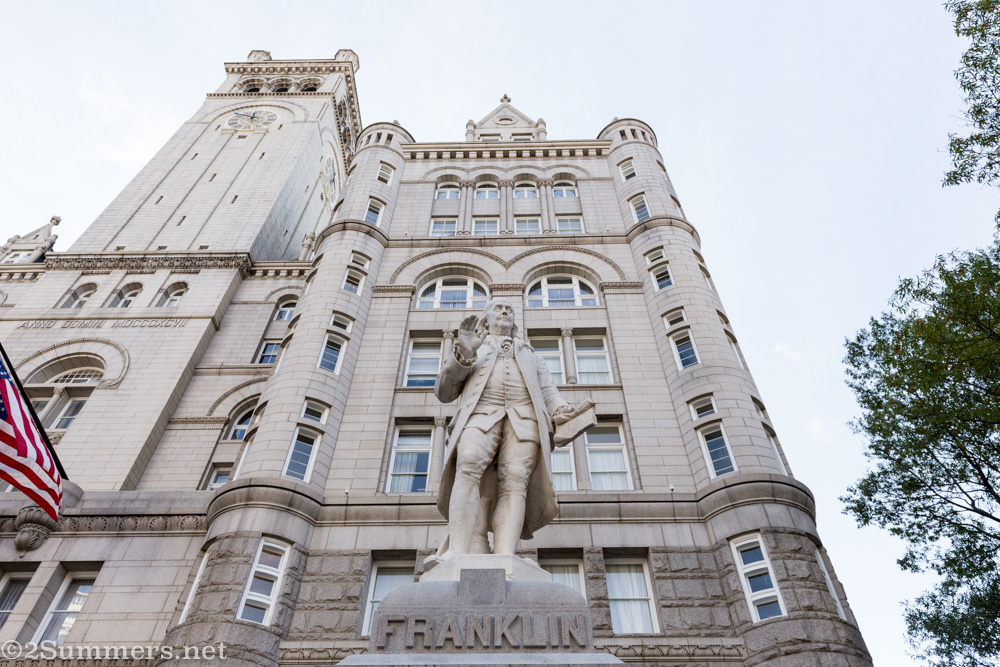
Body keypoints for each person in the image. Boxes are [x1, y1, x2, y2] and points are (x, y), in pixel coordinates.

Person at [432, 298, 577, 559]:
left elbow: (548, 390)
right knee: (468, 464)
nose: (504, 311)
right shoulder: (474, 348)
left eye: (509, 309)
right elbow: (443, 393)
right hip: (480, 415)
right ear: (485, 321)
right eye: (498, 308)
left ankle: (505, 556)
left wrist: (560, 410)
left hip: (523, 419)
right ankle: (457, 550)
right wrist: (463, 354)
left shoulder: (531, 354)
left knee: (516, 481)